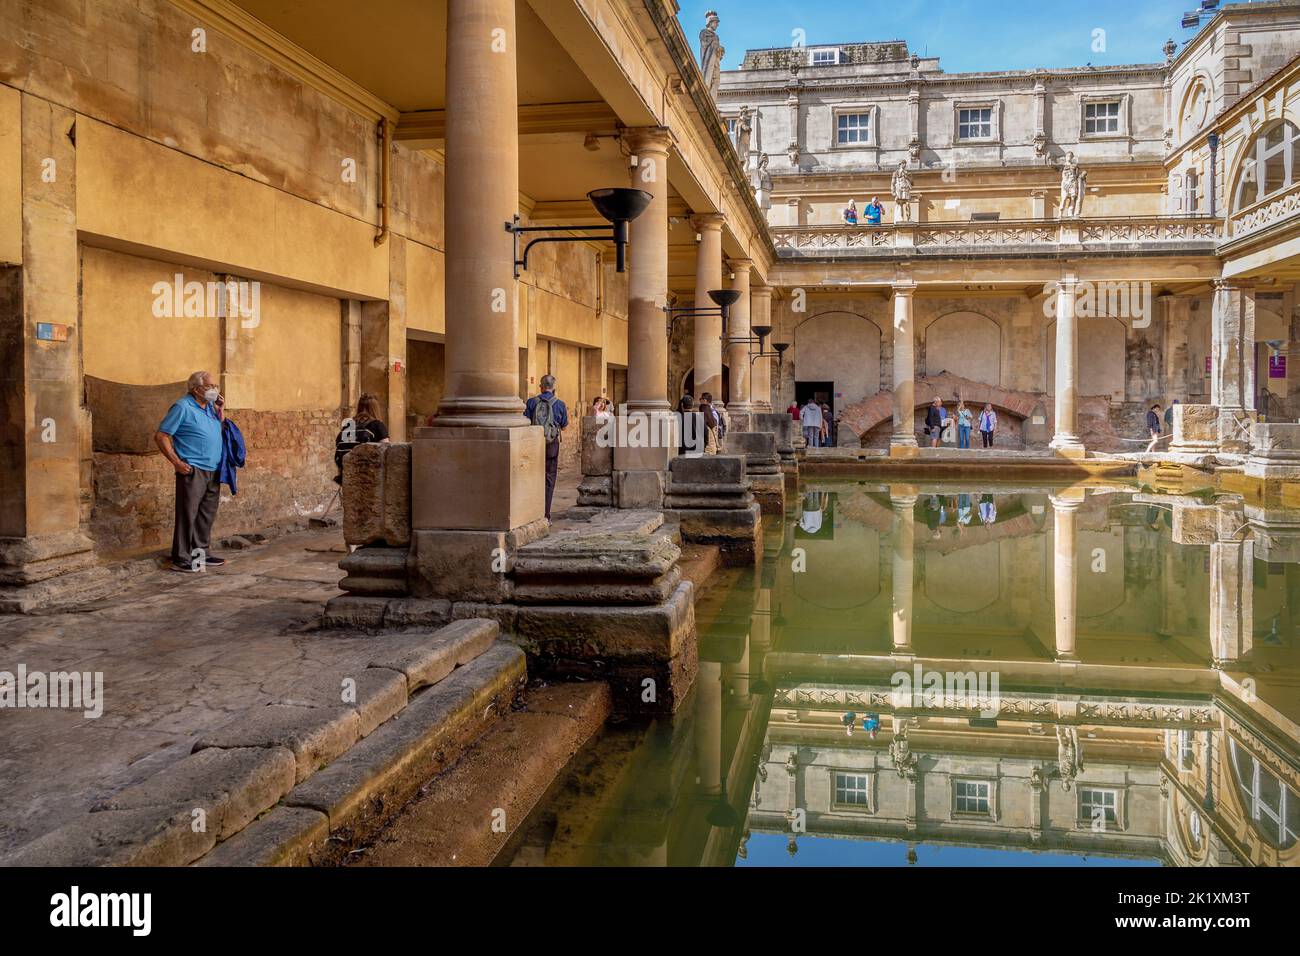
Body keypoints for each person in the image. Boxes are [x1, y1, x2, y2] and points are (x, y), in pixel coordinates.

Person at [156, 371, 228, 573]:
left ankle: (200, 555)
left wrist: (220, 410)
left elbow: (218, 430)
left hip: (213, 468)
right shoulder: (182, 407)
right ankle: (181, 558)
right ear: (196, 389)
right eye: (210, 386)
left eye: (216, 387)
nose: (215, 390)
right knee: (188, 514)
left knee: (206, 515)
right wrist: (176, 462)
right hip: (193, 469)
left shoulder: (210, 408)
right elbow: (161, 436)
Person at [525, 374, 569, 520]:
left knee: (531, 476)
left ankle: (530, 512)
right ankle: (546, 514)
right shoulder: (560, 404)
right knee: (549, 478)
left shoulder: (531, 402)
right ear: (553, 388)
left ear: (541, 387)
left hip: (533, 443)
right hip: (551, 444)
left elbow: (525, 422)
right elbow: (564, 426)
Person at [334, 393, 390, 486]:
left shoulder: (348, 425)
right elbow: (386, 451)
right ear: (376, 408)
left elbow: (342, 448)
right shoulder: (377, 425)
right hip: (368, 476)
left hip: (346, 474)